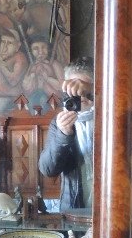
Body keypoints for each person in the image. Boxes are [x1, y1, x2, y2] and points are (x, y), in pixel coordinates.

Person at [38, 61, 94, 213]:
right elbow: (48, 169)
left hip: (112, 206)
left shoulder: (110, 116)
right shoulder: (60, 122)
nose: (79, 95)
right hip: (74, 209)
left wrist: (94, 91)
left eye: (83, 88)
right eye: (73, 89)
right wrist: (63, 135)